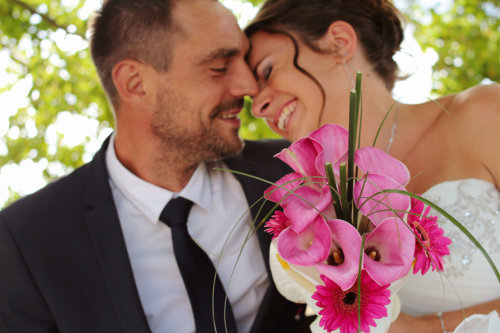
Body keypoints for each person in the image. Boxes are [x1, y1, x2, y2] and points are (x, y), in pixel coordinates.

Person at [0, 0, 314, 332]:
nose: (248, 87)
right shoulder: (27, 239)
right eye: (220, 66)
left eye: (244, 61)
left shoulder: (299, 171)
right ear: (135, 83)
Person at [243, 0, 500, 332]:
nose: (259, 107)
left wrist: (422, 329)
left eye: (267, 71)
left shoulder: (482, 114)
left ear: (339, 43)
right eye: (251, 100)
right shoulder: (311, 211)